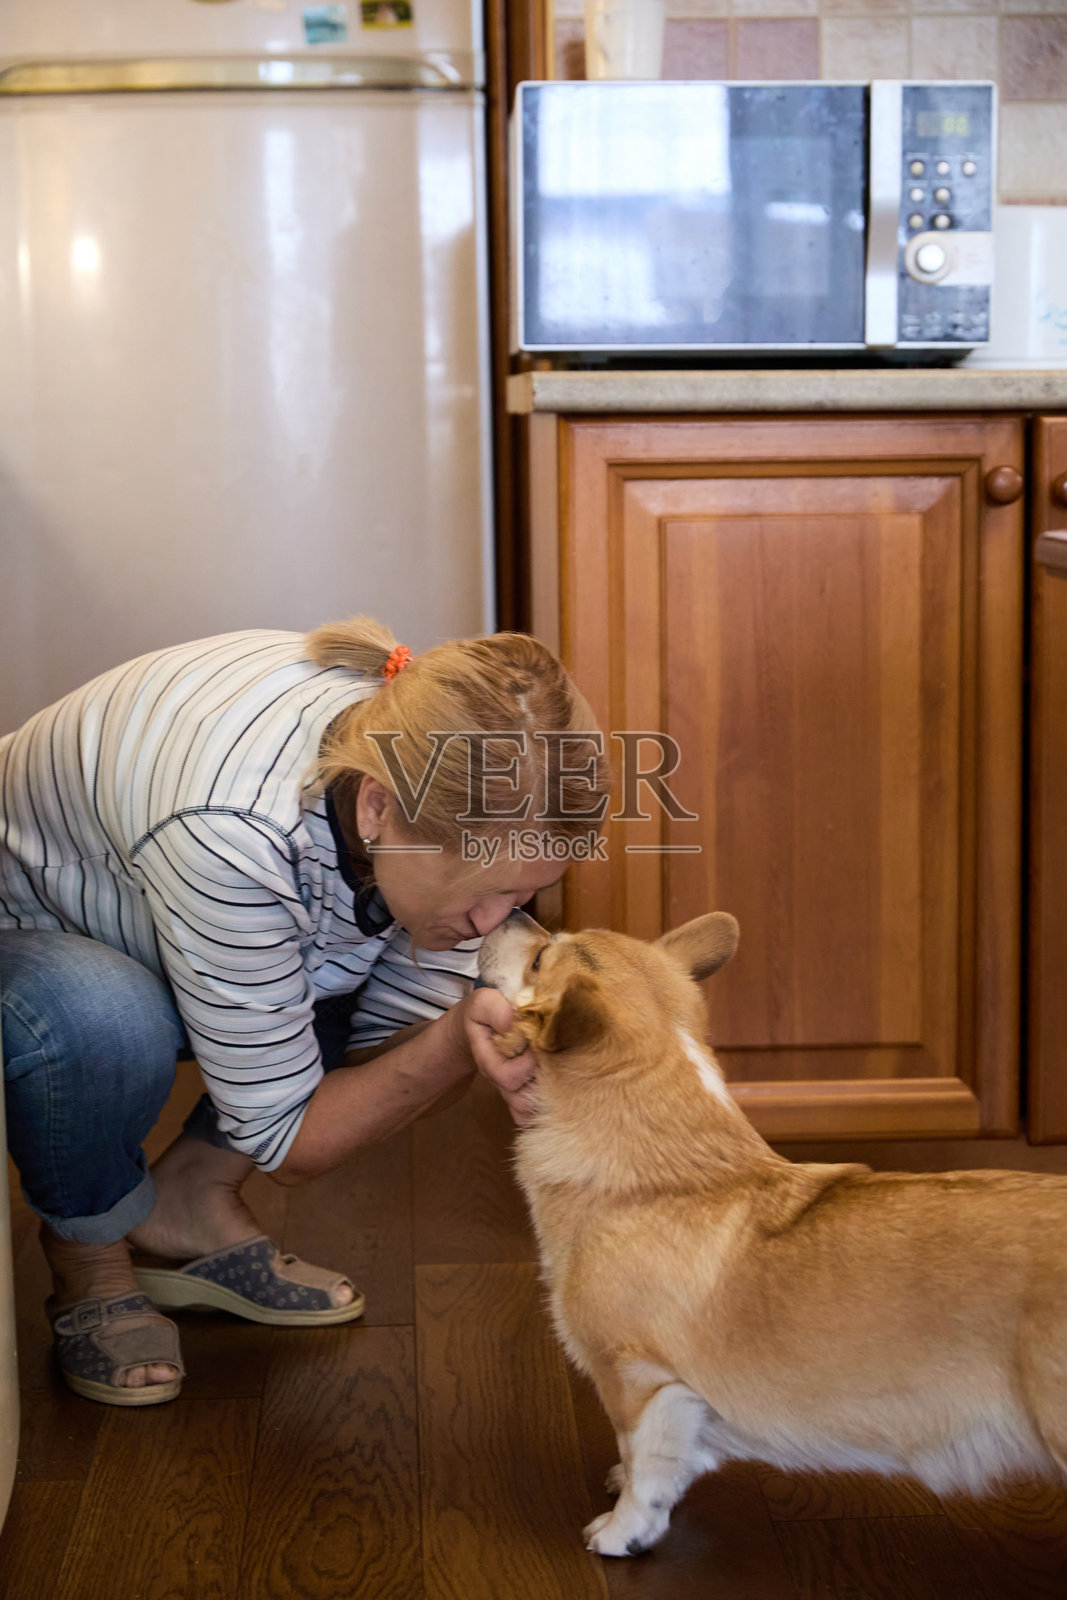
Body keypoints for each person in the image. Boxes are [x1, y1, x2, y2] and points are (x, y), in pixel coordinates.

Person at [0, 617, 609, 1406]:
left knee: (327, 963)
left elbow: (380, 1059)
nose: (499, 922)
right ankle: (89, 1256)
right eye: (485, 892)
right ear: (378, 811)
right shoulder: (233, 830)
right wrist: (459, 1041)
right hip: (28, 921)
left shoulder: (444, 770)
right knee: (103, 1016)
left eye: (525, 894)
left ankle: (190, 1198)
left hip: (151, 906)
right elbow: (295, 1146)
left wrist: (460, 1025)